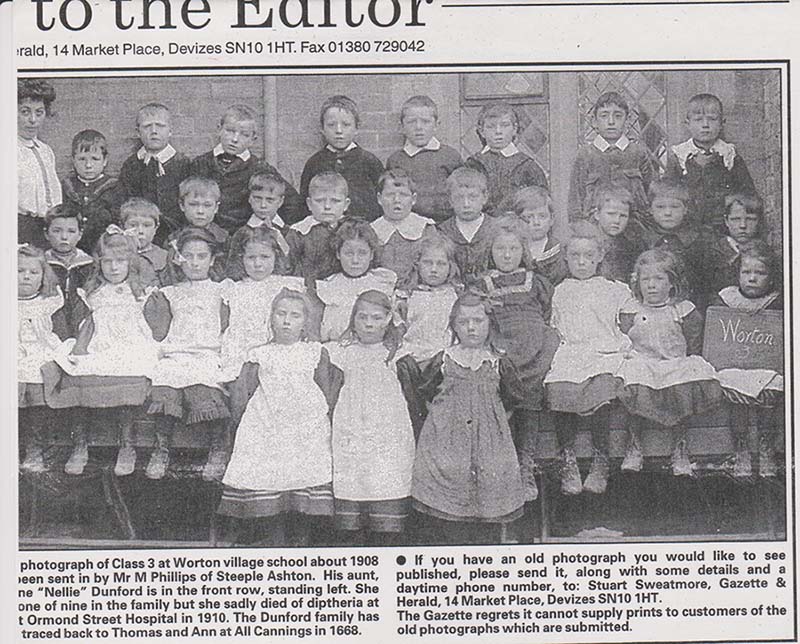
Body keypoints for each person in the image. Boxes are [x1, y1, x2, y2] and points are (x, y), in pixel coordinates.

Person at [219, 289, 339, 546]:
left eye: (295, 316)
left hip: (305, 424)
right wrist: (248, 424)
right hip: (267, 421)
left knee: (303, 473)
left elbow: (326, 389)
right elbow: (243, 392)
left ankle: (301, 536)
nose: (286, 321)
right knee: (269, 473)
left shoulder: (315, 352)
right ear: (271, 318)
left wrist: (315, 417)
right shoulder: (259, 353)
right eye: (281, 314)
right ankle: (273, 536)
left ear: (305, 322)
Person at [409, 292, 528, 542]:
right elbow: (425, 393)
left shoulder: (498, 362)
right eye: (463, 322)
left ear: (490, 324)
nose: (471, 328)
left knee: (487, 498)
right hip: (447, 442)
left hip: (489, 442)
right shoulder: (444, 359)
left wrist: (491, 419)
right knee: (447, 506)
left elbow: (514, 399)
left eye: (478, 321)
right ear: (453, 325)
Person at [46, 227, 159, 477]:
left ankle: (126, 446)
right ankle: (80, 445)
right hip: (98, 343)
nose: (114, 268)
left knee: (128, 375)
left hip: (131, 345)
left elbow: (153, 324)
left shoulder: (140, 292)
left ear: (131, 262)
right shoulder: (92, 291)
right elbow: (84, 323)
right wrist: (80, 346)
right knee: (79, 373)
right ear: (99, 263)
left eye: (120, 262)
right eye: (107, 262)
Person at [544, 222, 632, 495]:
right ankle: (567, 458)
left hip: (604, 350)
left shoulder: (614, 289)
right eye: (576, 257)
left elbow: (627, 322)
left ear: (599, 257)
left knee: (603, 386)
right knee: (560, 384)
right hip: (571, 351)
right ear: (567, 258)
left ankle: (600, 458)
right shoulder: (560, 290)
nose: (582, 263)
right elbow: (555, 326)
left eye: (589, 257)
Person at [617, 249, 723, 476]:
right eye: (645, 279)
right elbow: (624, 337)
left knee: (684, 381)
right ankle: (634, 445)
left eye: (659, 279)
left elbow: (694, 341)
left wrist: (688, 359)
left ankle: (680, 446)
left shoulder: (682, 309)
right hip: (643, 361)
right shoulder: (631, 309)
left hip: (674, 362)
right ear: (637, 281)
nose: (651, 285)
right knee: (633, 379)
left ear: (672, 282)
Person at [325, 290, 416, 544]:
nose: (368, 323)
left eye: (376, 318)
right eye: (362, 317)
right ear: (353, 318)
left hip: (388, 432)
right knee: (352, 482)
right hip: (350, 428)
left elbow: (411, 397)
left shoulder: (397, 355)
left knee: (386, 481)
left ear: (388, 319)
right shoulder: (341, 352)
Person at [480, 218, 559, 501]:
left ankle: (526, 464)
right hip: (501, 345)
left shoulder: (536, 281)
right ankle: (505, 467)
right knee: (498, 391)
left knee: (531, 395)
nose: (507, 255)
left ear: (523, 250)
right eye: (500, 249)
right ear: (491, 251)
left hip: (535, 346)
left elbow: (549, 312)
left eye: (513, 249)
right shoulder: (482, 283)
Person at [143, 227, 230, 481]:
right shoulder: (170, 292)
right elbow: (160, 330)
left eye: (201, 256)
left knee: (207, 381)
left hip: (209, 352)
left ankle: (217, 450)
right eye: (188, 256)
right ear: (179, 258)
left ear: (212, 260)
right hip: (177, 352)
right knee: (165, 379)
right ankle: (161, 448)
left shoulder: (222, 290)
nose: (194, 263)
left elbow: (227, 325)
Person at [710, 241, 783, 478]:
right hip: (734, 365)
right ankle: (741, 448)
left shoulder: (777, 302)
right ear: (738, 274)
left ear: (771, 278)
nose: (752, 278)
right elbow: (717, 336)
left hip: (766, 366)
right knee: (734, 387)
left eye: (760, 273)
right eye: (746, 272)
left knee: (773, 386)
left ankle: (766, 448)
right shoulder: (727, 299)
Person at [191, 104, 302, 230]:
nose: (235, 139)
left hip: (243, 236)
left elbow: (292, 204)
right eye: (230, 131)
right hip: (205, 233)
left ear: (252, 140)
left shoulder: (260, 168)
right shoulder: (200, 164)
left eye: (244, 134)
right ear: (219, 129)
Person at [220, 226, 305, 380]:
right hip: (241, 349)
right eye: (251, 258)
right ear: (241, 258)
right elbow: (225, 324)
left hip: (276, 348)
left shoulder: (285, 287)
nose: (258, 264)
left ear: (276, 257)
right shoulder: (233, 288)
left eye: (265, 257)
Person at [664, 93, 758, 232]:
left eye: (712, 119)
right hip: (688, 226)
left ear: (721, 123)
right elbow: (668, 194)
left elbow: (747, 193)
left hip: (722, 226)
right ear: (688, 124)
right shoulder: (679, 156)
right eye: (698, 120)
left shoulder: (729, 156)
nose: (705, 125)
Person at [567, 91, 656, 223]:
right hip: (595, 228)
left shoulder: (638, 153)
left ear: (628, 120)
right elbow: (575, 201)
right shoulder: (585, 155)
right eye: (604, 116)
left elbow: (652, 194)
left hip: (634, 228)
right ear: (594, 121)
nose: (611, 122)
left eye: (618, 116)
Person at [18, 244, 68, 473]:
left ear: (42, 276)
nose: (26, 277)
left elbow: (61, 335)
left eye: (33, 272)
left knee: (37, 375)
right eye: (19, 271)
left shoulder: (48, 303)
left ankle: (34, 447)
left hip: (40, 352)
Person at [299, 95, 384, 222]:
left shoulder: (370, 162)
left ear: (356, 128)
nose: (339, 131)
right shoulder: (314, 163)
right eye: (331, 125)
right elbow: (304, 204)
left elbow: (382, 201)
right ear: (322, 129)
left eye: (346, 125)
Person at [117, 103, 192, 243]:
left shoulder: (183, 164)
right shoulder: (132, 165)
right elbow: (124, 201)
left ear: (170, 130)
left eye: (160, 126)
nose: (154, 131)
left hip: (175, 233)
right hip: (141, 233)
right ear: (138, 132)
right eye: (147, 126)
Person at [315, 219, 397, 342]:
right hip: (336, 346)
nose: (355, 260)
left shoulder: (382, 282)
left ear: (371, 255)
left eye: (362, 253)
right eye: (348, 253)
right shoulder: (329, 285)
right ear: (338, 254)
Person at [386, 95, 463, 223]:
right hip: (409, 223)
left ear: (436, 125)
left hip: (445, 223)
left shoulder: (450, 156)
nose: (418, 127)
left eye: (425, 121)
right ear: (402, 126)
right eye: (411, 122)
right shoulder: (396, 160)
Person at [639, 179, 713, 308]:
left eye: (674, 207)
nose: (668, 213)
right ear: (650, 209)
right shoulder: (642, 239)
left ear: (685, 209)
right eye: (660, 207)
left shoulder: (698, 240)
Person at [465, 102, 548, 215]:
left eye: (504, 125)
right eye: (491, 126)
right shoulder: (473, 164)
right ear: (481, 131)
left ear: (514, 129)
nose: (498, 131)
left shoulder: (527, 166)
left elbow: (541, 202)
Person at [396, 233, 461, 365]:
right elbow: (397, 327)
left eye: (441, 264)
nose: (434, 269)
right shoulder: (406, 295)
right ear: (417, 264)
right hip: (411, 355)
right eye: (427, 263)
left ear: (450, 267)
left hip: (443, 357)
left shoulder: (455, 296)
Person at [371, 168, 436, 288]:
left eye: (404, 195)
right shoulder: (372, 230)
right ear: (379, 199)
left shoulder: (425, 228)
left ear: (413, 199)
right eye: (390, 195)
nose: (397, 200)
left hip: (418, 289)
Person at [700, 193, 768, 305]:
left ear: (759, 221)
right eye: (735, 219)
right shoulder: (711, 252)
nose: (743, 225)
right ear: (726, 221)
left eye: (750, 219)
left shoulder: (764, 253)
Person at [61, 129, 122, 253]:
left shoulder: (114, 188)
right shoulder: (67, 186)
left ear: (105, 161)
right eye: (82, 159)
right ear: (73, 160)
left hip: (103, 249)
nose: (88, 165)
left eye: (95, 159)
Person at [18, 79, 62, 247]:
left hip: (48, 227)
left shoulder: (46, 151)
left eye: (39, 112)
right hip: (21, 227)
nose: (33, 119)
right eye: (25, 112)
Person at [287, 172, 353, 283]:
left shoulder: (353, 229)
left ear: (346, 204)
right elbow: (288, 266)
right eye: (319, 201)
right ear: (309, 204)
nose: (327, 206)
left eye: (335, 201)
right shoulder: (298, 232)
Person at [437, 166, 497, 286]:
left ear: (484, 197)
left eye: (472, 197)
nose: (466, 204)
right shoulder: (442, 231)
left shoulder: (496, 228)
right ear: (450, 200)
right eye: (459, 198)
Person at [226, 170, 292, 275]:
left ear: (280, 201)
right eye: (257, 199)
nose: (263, 205)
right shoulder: (242, 234)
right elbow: (234, 267)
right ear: (250, 198)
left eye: (270, 200)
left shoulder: (290, 232)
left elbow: (294, 263)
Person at [43, 205, 95, 336]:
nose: (64, 237)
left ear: (80, 234)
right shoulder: (42, 263)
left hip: (82, 318)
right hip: (50, 318)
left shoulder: (89, 263)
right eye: (57, 231)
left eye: (71, 231)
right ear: (46, 233)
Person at [508, 186, 568, 286]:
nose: (536, 222)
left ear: (552, 219)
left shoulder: (559, 252)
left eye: (542, 216)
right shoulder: (512, 250)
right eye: (529, 217)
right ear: (517, 219)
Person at [592, 183, 645, 282]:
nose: (617, 220)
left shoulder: (631, 248)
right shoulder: (586, 244)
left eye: (623, 216)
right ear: (597, 214)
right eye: (611, 214)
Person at [120, 197, 168, 279]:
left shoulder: (165, 257)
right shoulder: (115, 253)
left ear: (156, 228)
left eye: (146, 225)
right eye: (133, 225)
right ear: (122, 226)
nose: (140, 231)